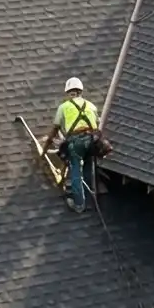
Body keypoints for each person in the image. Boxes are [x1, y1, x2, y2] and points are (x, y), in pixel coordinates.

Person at [43, 76, 103, 210]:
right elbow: (97, 125)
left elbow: (55, 129)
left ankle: (79, 204)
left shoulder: (64, 107)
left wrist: (45, 148)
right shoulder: (91, 105)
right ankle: (90, 200)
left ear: (68, 93)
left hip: (76, 142)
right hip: (91, 140)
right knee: (88, 168)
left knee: (75, 170)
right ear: (81, 92)